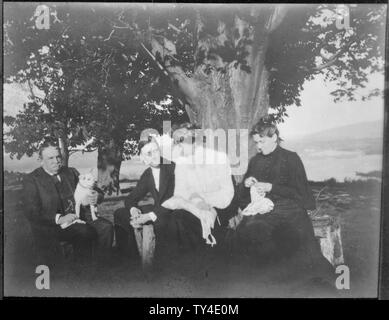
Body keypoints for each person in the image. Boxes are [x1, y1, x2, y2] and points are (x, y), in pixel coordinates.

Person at [233, 118, 334, 288]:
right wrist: (245, 185)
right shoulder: (255, 162)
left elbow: (302, 195)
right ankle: (262, 282)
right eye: (256, 142)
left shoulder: (291, 158)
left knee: (276, 235)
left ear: (274, 137)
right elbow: (243, 201)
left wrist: (272, 187)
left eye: (262, 141)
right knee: (248, 231)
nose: (258, 146)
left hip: (291, 211)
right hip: (263, 211)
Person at [23, 140, 114, 266]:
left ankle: (101, 267)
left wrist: (96, 196)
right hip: (54, 226)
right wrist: (59, 218)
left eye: (58, 157)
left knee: (106, 227)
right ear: (41, 160)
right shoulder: (32, 180)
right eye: (50, 158)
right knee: (84, 231)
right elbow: (31, 211)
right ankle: (82, 273)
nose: (56, 161)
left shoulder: (71, 172)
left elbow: (96, 190)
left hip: (79, 216)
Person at [113, 137, 181, 267]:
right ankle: (130, 259)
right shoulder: (148, 173)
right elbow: (131, 198)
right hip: (159, 210)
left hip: (174, 212)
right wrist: (133, 209)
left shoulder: (172, 168)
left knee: (161, 223)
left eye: (156, 151)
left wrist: (149, 216)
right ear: (142, 158)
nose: (154, 156)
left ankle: (155, 266)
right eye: (148, 153)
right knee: (120, 214)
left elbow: (174, 200)